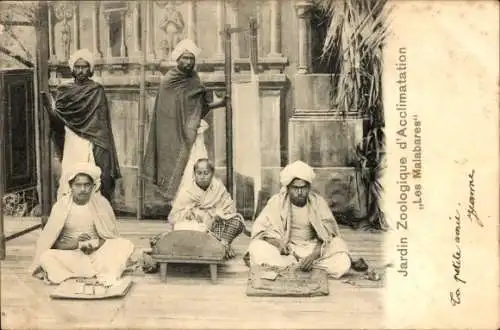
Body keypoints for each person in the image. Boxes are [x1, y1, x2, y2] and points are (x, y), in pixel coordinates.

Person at [247, 161, 367, 279]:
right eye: (295, 188)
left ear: (309, 187)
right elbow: (261, 232)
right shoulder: (276, 202)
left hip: (312, 249)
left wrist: (313, 256)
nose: (299, 192)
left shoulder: (318, 202)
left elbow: (327, 235)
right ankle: (306, 268)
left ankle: (297, 267)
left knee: (341, 258)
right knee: (256, 248)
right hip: (288, 252)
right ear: (288, 188)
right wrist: (279, 245)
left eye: (303, 188)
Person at [143, 39, 226, 204]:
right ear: (177, 59)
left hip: (194, 134)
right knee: (181, 174)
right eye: (185, 58)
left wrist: (220, 104)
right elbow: (166, 113)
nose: (188, 62)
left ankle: (198, 204)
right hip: (175, 136)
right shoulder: (169, 81)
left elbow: (200, 108)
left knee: (197, 166)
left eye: (191, 59)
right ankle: (181, 208)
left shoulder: (194, 79)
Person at [28, 163, 134, 286]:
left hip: (97, 254)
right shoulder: (61, 207)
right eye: (78, 185)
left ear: (93, 187)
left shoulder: (102, 204)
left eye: (87, 185)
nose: (83, 189)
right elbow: (51, 243)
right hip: (72, 255)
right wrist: (76, 244)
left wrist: (95, 244)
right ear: (70, 186)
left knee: (123, 245)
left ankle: (88, 274)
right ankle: (87, 274)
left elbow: (110, 236)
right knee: (46, 256)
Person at [45, 48, 121, 202]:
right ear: (73, 69)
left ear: (90, 69)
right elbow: (58, 117)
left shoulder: (97, 90)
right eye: (77, 67)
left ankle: (95, 207)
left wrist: (99, 142)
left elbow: (101, 122)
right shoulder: (64, 90)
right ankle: (69, 206)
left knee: (92, 172)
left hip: (91, 141)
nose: (81, 71)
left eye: (84, 67)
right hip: (72, 138)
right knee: (72, 171)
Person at [152, 158, 249, 260]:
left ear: (212, 174)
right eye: (199, 173)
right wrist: (192, 213)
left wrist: (216, 214)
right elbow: (174, 216)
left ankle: (222, 245)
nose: (202, 177)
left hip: (214, 227)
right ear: (194, 174)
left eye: (206, 173)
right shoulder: (187, 190)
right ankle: (218, 248)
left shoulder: (218, 186)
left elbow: (229, 207)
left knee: (237, 222)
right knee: (187, 230)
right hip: (195, 227)